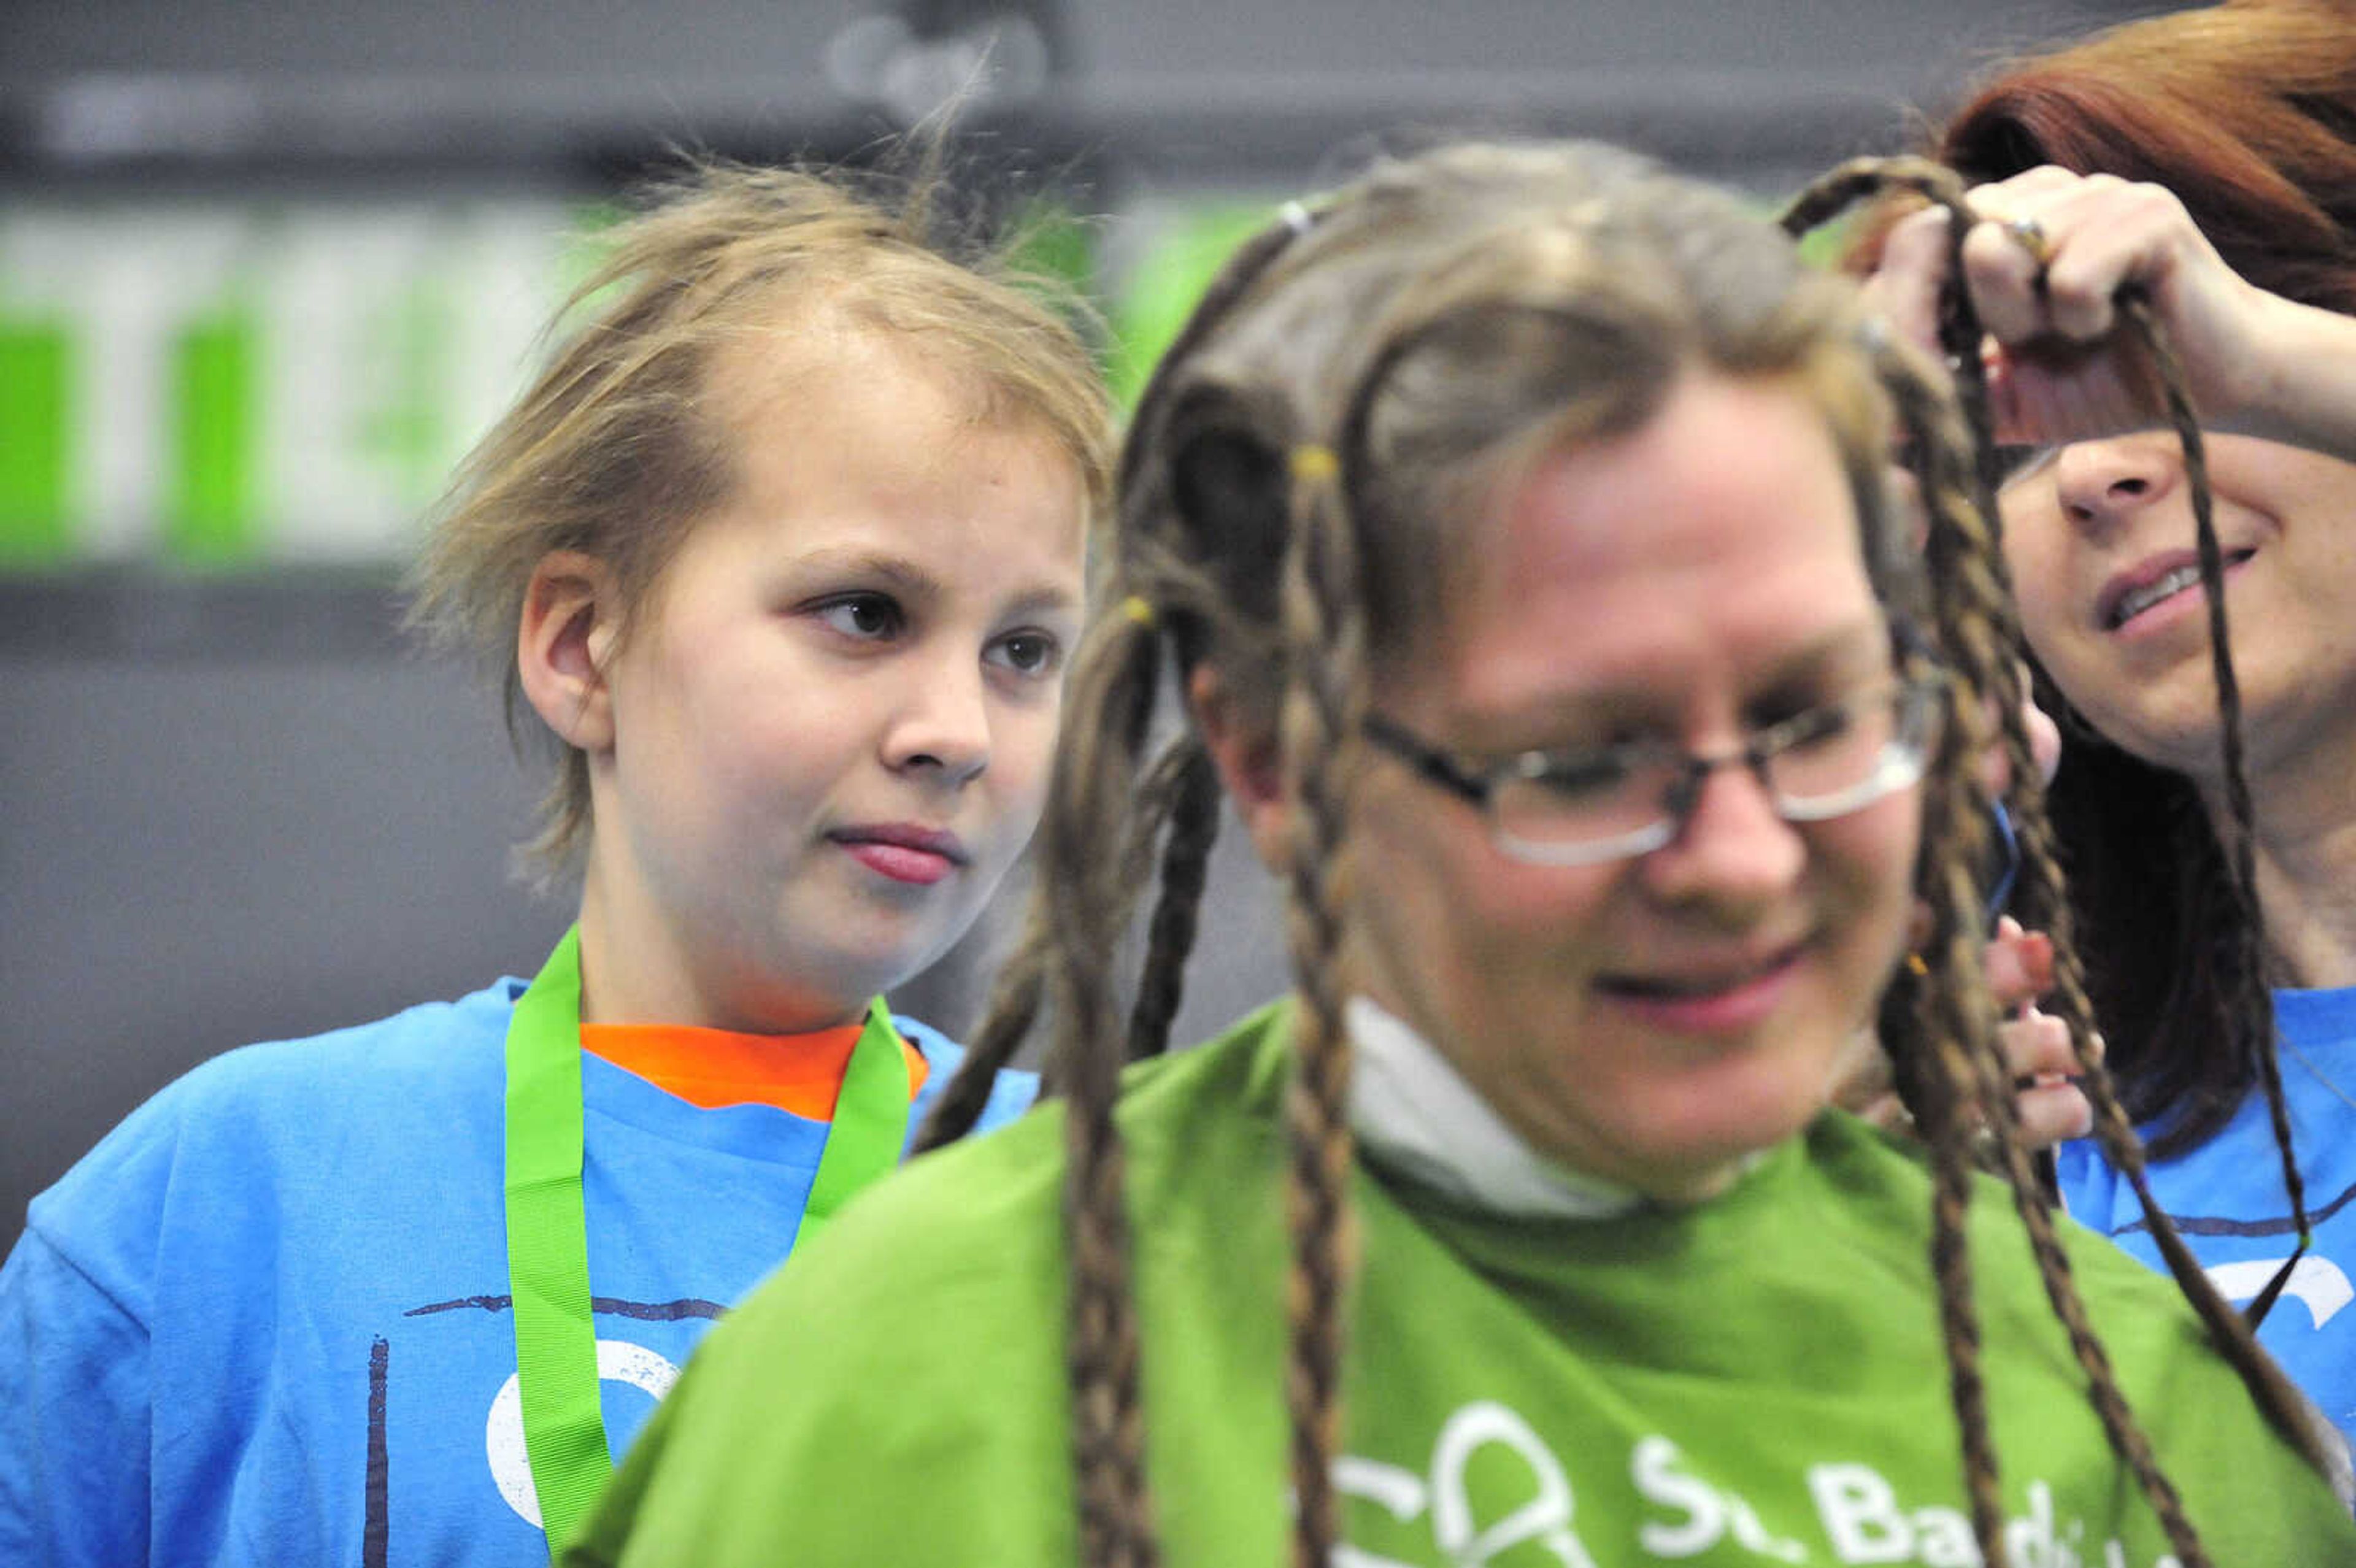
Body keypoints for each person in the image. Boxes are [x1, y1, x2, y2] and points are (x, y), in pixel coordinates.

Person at [566, 141, 2355, 1568]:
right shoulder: (924, 1380)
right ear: (1281, 766)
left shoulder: (2137, 1403)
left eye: (1816, 719)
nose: (1737, 858)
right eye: (1583, 756)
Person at [0, 160, 1112, 1567]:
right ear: (584, 645)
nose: (959, 731)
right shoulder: (219, 1206)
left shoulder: (1120, 1229)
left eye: (1026, 649)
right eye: (864, 612)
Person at [1857, 0, 2356, 1447]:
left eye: (2176, 360)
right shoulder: (2015, 1111)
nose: (2093, 477)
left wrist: (2265, 358)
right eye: (2015, 434)